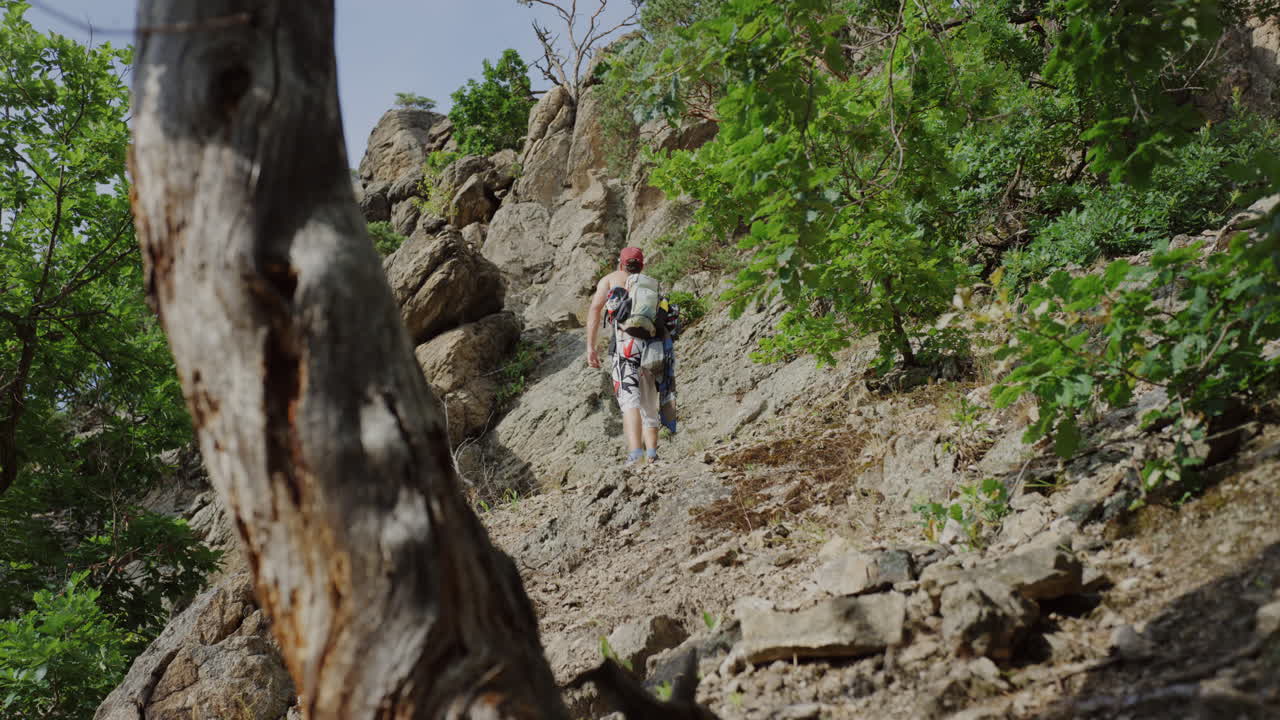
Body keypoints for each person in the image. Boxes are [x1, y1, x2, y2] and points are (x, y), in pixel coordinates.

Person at [587, 246, 665, 465]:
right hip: (651, 348)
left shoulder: (611, 279)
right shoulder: (650, 284)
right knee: (649, 402)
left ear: (620, 263)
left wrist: (591, 347)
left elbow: (594, 310)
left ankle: (635, 454)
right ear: (642, 265)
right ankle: (652, 455)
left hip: (625, 347)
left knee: (630, 400)